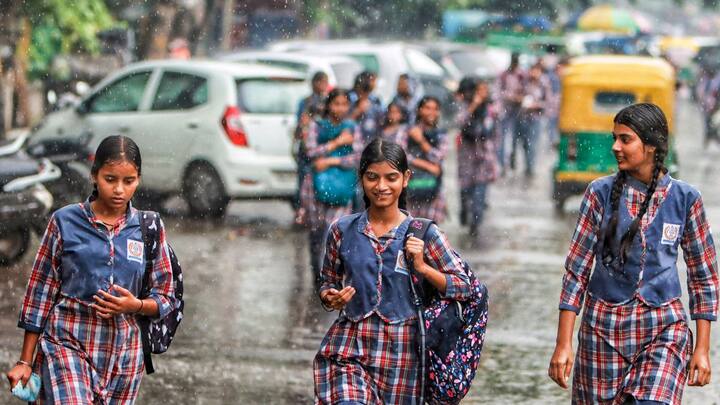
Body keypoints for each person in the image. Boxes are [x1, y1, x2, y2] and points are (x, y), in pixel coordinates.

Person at [549, 103, 718, 404]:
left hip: (663, 329)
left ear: (651, 145)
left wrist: (702, 349)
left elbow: (703, 278)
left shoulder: (686, 199)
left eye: (625, 139)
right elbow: (576, 272)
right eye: (614, 138)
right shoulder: (598, 194)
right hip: (602, 330)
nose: (615, 147)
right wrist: (564, 344)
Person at [6, 135, 176, 403]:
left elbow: (166, 298)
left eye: (128, 181)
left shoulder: (149, 228)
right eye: (110, 179)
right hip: (67, 345)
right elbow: (40, 292)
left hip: (124, 359)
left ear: (138, 180)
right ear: (94, 176)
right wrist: (25, 361)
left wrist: (135, 305)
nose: (119, 190)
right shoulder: (64, 221)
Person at [313, 138, 472, 404]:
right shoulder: (342, 230)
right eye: (372, 177)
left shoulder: (425, 234)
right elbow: (327, 280)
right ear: (362, 178)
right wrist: (330, 297)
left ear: (406, 179)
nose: (381, 186)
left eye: (391, 177)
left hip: (403, 354)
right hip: (350, 347)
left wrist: (422, 267)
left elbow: (463, 286)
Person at [300, 88, 362, 286]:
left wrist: (330, 162)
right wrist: (336, 143)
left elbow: (358, 156)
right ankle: (316, 273)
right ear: (328, 105)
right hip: (315, 186)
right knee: (316, 230)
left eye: (344, 104)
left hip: (342, 186)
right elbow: (310, 151)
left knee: (334, 231)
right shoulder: (316, 127)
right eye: (336, 103)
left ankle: (329, 277)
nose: (340, 108)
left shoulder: (352, 128)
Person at [456, 78, 499, 239]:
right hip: (467, 156)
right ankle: (464, 211)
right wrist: (473, 105)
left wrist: (494, 156)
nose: (482, 94)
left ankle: (475, 223)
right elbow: (460, 122)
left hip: (485, 157)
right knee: (466, 189)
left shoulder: (490, 109)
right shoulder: (466, 106)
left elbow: (495, 133)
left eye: (484, 90)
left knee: (480, 191)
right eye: (478, 91)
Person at [398, 96, 448, 223]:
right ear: (419, 110)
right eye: (427, 108)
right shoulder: (407, 130)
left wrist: (421, 141)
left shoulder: (441, 133)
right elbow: (399, 154)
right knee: (409, 229)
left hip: (433, 190)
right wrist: (427, 166)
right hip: (410, 187)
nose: (431, 112)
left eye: (435, 109)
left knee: (430, 230)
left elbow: (439, 157)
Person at [293, 71, 329, 226]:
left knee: (319, 179)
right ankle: (304, 211)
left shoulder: (328, 101)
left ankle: (318, 211)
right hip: (307, 148)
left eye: (324, 82)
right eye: (319, 82)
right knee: (304, 180)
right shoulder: (306, 102)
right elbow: (300, 124)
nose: (322, 86)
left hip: (321, 146)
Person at [512, 62, 550, 178]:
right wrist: (521, 100)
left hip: (536, 119)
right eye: (532, 70)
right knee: (523, 144)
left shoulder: (544, 85)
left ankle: (530, 168)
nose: (534, 73)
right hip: (523, 117)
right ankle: (525, 165)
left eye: (536, 71)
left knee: (532, 144)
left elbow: (548, 102)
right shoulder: (524, 82)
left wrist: (536, 105)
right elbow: (515, 95)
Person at [495, 52, 525, 174]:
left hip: (518, 112)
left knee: (514, 140)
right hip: (505, 111)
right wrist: (512, 97)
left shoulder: (521, 75)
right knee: (502, 139)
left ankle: (512, 162)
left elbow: (526, 90)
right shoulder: (503, 75)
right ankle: (503, 165)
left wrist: (521, 98)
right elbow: (498, 92)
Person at [349, 71, 384, 145]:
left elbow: (382, 119)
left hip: (371, 140)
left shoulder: (376, 100)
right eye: (373, 81)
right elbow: (343, 121)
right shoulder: (349, 97)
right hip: (352, 140)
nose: (375, 84)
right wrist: (358, 110)